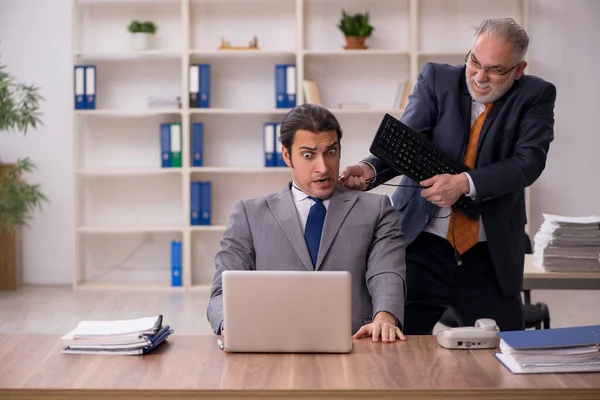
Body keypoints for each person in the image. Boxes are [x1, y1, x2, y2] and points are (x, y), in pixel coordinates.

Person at [339, 17, 556, 334]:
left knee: (506, 360)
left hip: (489, 257)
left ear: (518, 70)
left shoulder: (536, 95)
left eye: (494, 70)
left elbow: (529, 161)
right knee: (389, 350)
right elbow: (409, 142)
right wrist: (370, 169)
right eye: (474, 62)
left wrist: (464, 184)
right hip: (420, 246)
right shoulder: (437, 79)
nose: (480, 77)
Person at [207, 103, 407, 343]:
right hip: (272, 345)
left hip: (357, 344)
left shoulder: (377, 209)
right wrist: (229, 323)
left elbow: (387, 272)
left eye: (330, 152)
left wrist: (385, 316)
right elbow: (221, 292)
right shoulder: (249, 214)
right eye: (308, 155)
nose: (323, 167)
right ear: (286, 156)